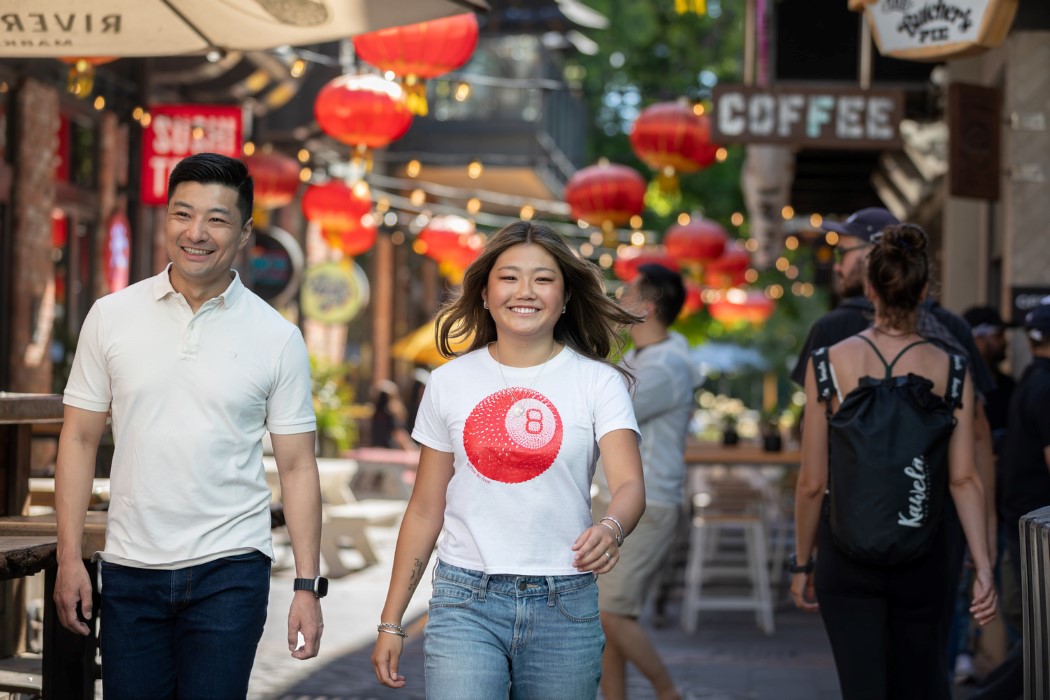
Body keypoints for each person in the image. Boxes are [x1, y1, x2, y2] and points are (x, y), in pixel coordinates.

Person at [53, 153, 325, 698]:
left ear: (245, 232)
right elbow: (80, 439)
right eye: (183, 214)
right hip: (130, 566)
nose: (196, 233)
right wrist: (68, 559)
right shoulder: (111, 316)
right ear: (166, 219)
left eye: (217, 219)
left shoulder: (277, 337)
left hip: (231, 569)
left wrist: (306, 586)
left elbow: (297, 466)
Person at [370, 220, 646, 698]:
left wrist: (611, 528)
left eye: (543, 279)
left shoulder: (598, 382)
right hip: (465, 600)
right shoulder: (449, 382)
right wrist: (392, 620)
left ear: (564, 296)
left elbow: (629, 487)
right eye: (509, 276)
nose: (526, 291)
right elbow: (424, 508)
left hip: (566, 602)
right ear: (484, 293)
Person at [792, 207, 998, 688]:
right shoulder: (953, 367)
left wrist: (802, 562)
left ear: (869, 289)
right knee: (920, 683)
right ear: (924, 292)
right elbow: (965, 478)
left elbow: (811, 482)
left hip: (846, 556)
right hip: (924, 553)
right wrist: (983, 563)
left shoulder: (827, 364)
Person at [598, 264, 701, 700]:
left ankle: (669, 693)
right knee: (605, 613)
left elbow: (606, 413)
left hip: (649, 505)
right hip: (621, 502)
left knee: (609, 614)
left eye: (625, 293)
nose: (617, 299)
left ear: (648, 306)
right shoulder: (644, 356)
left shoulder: (667, 366)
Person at [969, 298, 1050, 700]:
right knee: (1041, 644)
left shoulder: (1027, 382)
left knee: (1038, 642)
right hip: (1037, 529)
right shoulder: (1044, 386)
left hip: (1021, 522)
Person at [369, 379, 417, 451]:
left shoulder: (376, 413)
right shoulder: (390, 413)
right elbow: (399, 434)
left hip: (377, 450)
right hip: (391, 452)